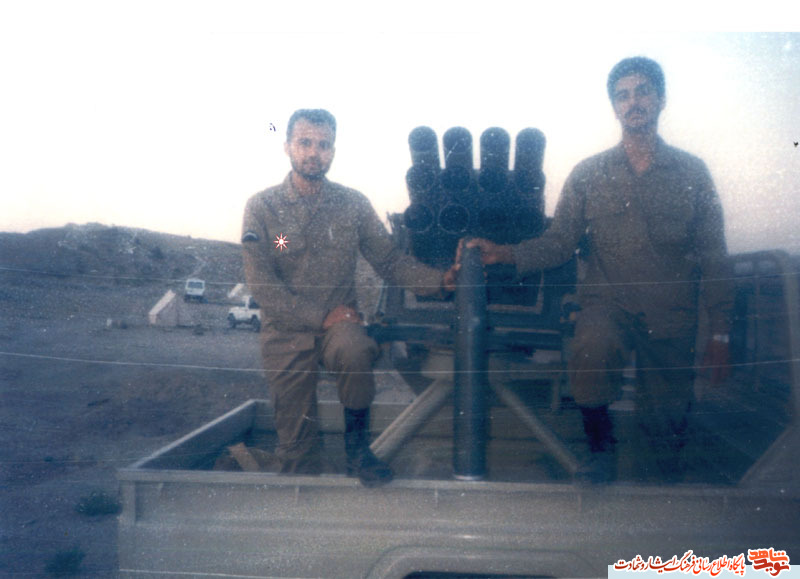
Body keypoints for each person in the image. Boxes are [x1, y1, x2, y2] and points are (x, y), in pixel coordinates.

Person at [464, 57, 733, 483]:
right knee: (591, 349)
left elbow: (714, 255)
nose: (633, 102)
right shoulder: (589, 174)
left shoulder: (692, 173)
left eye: (642, 91)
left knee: (666, 429)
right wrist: (504, 253)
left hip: (671, 315)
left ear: (661, 99)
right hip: (609, 304)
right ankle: (600, 451)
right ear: (614, 107)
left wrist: (720, 334)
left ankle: (660, 486)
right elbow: (559, 241)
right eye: (623, 96)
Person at [242, 109, 456, 487]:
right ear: (287, 146)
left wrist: (440, 281)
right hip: (286, 331)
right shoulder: (263, 207)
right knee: (295, 441)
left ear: (334, 151)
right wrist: (319, 316)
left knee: (355, 349)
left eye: (323, 145)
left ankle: (358, 451)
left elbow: (389, 260)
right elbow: (262, 283)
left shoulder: (352, 205)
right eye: (305, 143)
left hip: (339, 327)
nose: (314, 153)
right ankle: (299, 489)